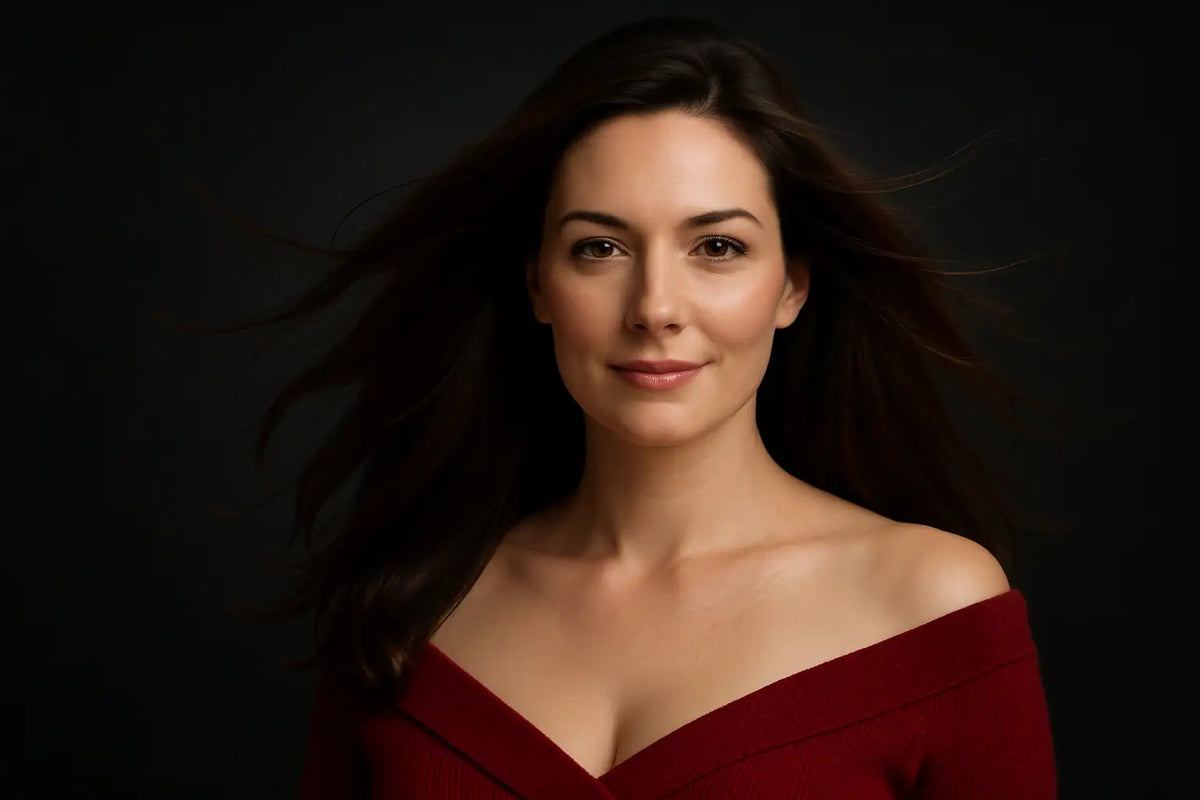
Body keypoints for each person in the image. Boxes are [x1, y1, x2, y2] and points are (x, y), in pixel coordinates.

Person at [210, 14, 1059, 798]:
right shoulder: (409, 609)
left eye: (717, 247)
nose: (655, 305)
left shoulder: (932, 605)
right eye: (600, 247)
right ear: (539, 282)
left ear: (792, 285)